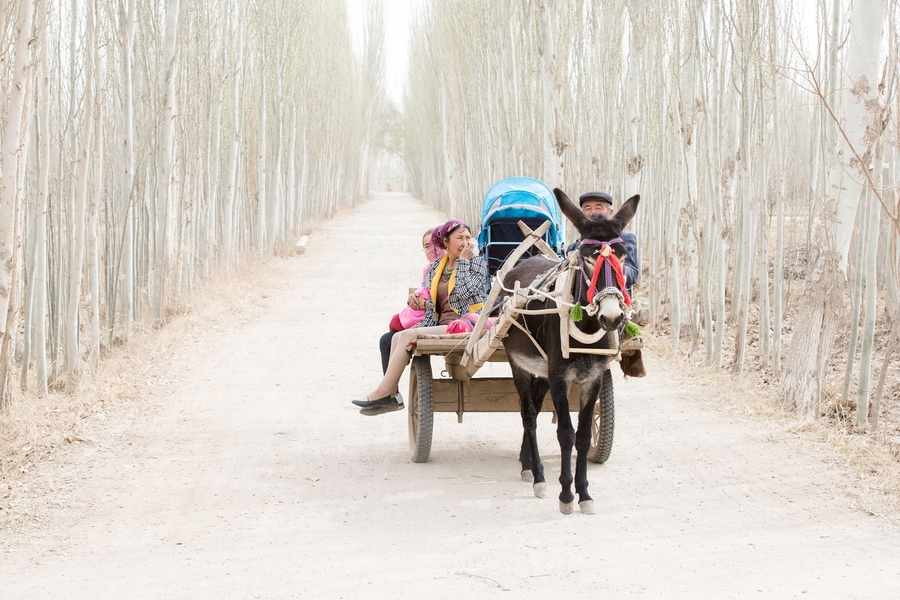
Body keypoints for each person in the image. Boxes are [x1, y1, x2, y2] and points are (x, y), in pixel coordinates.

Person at [352, 219, 488, 416]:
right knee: (398, 337)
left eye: (468, 238)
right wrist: (417, 304)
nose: (465, 242)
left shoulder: (477, 264)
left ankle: (384, 392)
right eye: (459, 238)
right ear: (446, 243)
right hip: (444, 325)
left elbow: (463, 294)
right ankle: (391, 395)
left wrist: (464, 263)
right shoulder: (437, 268)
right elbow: (435, 306)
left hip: (465, 324)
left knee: (408, 336)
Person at [377, 228, 445, 375]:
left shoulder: (452, 267)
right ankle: (392, 392)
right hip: (428, 319)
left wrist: (425, 305)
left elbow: (450, 304)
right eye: (426, 246)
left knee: (394, 337)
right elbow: (425, 293)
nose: (431, 249)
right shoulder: (429, 270)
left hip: (440, 322)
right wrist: (413, 298)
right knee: (386, 340)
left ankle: (388, 389)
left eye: (435, 244)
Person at [567, 191, 640, 298]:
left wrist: (611, 267)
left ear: (610, 213)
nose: (593, 213)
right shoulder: (574, 247)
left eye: (598, 207)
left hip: (618, 302)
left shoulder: (625, 239)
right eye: (587, 208)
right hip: (584, 308)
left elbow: (633, 274)